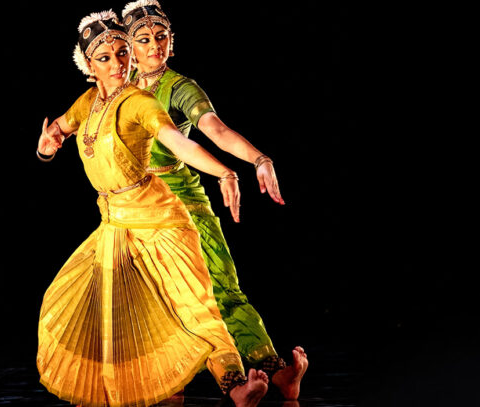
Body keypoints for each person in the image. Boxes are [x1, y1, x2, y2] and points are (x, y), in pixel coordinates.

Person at [36, 10, 270, 407]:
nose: (118, 64)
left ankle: (235, 387)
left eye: (122, 53)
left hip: (160, 220)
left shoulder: (140, 101)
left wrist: (226, 173)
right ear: (89, 66)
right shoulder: (89, 101)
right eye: (106, 57)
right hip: (115, 224)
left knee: (196, 303)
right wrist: (48, 144)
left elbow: (182, 143)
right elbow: (60, 126)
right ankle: (133, 388)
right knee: (110, 310)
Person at [120, 0, 307, 399]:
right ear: (129, 47)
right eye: (143, 39)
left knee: (219, 285)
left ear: (172, 42)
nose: (154, 45)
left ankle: (273, 371)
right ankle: (171, 380)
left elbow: (215, 130)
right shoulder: (118, 91)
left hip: (182, 202)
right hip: (134, 208)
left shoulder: (181, 88)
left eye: (161, 37)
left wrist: (259, 158)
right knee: (154, 297)